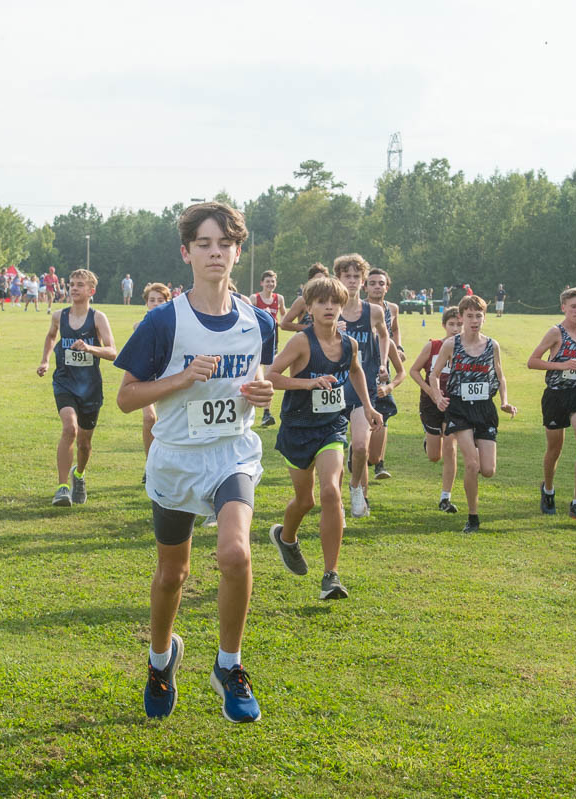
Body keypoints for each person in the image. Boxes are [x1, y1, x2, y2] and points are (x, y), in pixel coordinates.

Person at [114, 202, 274, 724]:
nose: (215, 253)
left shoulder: (259, 321)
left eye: (224, 244)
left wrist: (262, 391)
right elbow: (127, 398)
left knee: (236, 554)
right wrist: (181, 379)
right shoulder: (164, 321)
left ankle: (229, 667)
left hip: (232, 453)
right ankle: (161, 661)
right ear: (186, 252)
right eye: (203, 244)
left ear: (238, 251)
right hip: (178, 459)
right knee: (171, 575)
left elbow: (257, 382)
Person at [266, 275, 380, 600]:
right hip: (297, 429)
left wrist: (368, 407)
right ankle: (286, 538)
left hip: (331, 427)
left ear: (342, 306)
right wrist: (306, 384)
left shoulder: (349, 344)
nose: (329, 307)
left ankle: (331, 576)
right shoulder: (302, 342)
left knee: (331, 491)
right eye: (321, 302)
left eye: (334, 302)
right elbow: (271, 376)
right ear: (310, 308)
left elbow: (355, 370)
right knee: (305, 500)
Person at [427, 295, 516, 532]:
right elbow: (433, 374)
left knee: (488, 470)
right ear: (461, 317)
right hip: (459, 408)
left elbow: (500, 374)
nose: (474, 320)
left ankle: (477, 445)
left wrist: (505, 401)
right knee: (472, 463)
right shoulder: (451, 344)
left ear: (484, 317)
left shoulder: (491, 345)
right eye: (469, 316)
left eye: (478, 316)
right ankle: (473, 517)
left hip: (485, 407)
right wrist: (437, 396)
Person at [36, 269, 117, 507]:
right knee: (69, 428)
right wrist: (45, 360)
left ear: (91, 291)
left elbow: (112, 352)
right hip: (65, 381)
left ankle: (79, 475)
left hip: (90, 387)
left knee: (84, 443)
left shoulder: (98, 318)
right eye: (71, 284)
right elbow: (51, 337)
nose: (73, 288)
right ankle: (62, 488)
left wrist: (91, 349)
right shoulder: (59, 316)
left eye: (80, 285)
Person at [527, 287, 576, 522]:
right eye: (574, 306)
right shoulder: (555, 333)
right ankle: (548, 490)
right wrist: (562, 365)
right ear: (564, 308)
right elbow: (532, 362)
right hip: (555, 395)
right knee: (554, 449)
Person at [332, 254, 390, 517]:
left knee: (359, 447)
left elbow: (384, 335)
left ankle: (356, 488)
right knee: (331, 451)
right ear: (338, 278)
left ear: (363, 280)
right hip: (332, 390)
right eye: (347, 276)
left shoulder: (374, 312)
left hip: (361, 388)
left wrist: (383, 363)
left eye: (357, 276)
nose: (353, 281)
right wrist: (335, 331)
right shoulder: (329, 309)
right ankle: (334, 500)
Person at [409, 306, 463, 513]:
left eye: (459, 324)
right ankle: (429, 439)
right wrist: (430, 390)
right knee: (434, 456)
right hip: (430, 404)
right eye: (452, 324)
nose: (456, 329)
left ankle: (445, 498)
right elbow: (414, 371)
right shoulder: (433, 346)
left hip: (454, 405)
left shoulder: (468, 349)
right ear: (444, 325)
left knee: (451, 448)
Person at [364, 268, 402, 480]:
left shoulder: (393, 308)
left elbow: (394, 330)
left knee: (383, 408)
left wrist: (399, 347)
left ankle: (378, 462)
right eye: (373, 283)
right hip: (362, 362)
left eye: (381, 283)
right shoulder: (359, 308)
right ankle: (358, 449)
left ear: (387, 287)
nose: (377, 286)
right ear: (366, 287)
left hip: (383, 362)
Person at [136, 282, 173, 468]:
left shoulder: (175, 325)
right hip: (146, 379)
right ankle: (150, 465)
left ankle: (169, 463)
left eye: (161, 300)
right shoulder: (139, 326)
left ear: (168, 302)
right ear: (146, 303)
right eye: (152, 300)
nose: (156, 303)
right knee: (150, 418)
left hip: (168, 377)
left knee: (170, 421)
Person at [250, 270, 286, 428]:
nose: (270, 284)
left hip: (273, 341)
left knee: (268, 376)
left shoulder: (279, 299)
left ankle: (266, 413)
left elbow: (284, 315)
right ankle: (246, 411)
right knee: (253, 376)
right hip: (256, 341)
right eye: (267, 281)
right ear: (261, 283)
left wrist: (280, 322)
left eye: (273, 282)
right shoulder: (255, 298)